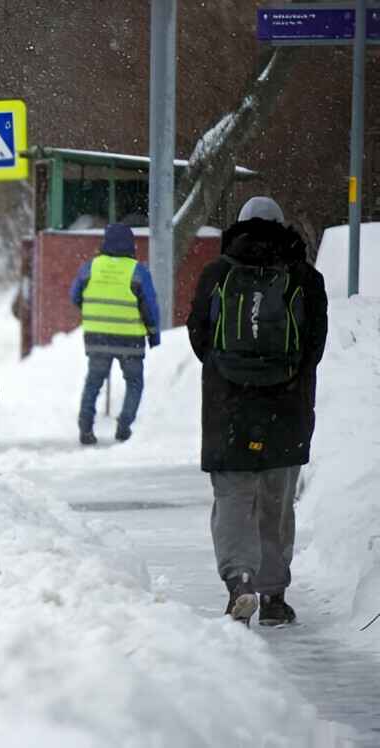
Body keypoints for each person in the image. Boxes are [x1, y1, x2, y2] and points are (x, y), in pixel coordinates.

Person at [186, 196, 327, 626]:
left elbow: (199, 337)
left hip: (228, 409)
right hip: (287, 410)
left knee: (233, 500)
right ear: (283, 226)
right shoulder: (305, 277)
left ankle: (239, 582)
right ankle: (275, 597)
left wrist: (231, 372)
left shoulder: (218, 273)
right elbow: (314, 345)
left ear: (240, 226)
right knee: (276, 504)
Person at [69, 223, 161, 445]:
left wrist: (92, 312)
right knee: (134, 382)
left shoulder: (91, 267)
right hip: (130, 340)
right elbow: (149, 306)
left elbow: (75, 295)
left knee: (93, 382)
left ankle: (85, 428)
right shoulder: (137, 270)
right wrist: (153, 334)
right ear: (131, 244)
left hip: (97, 338)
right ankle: (124, 426)